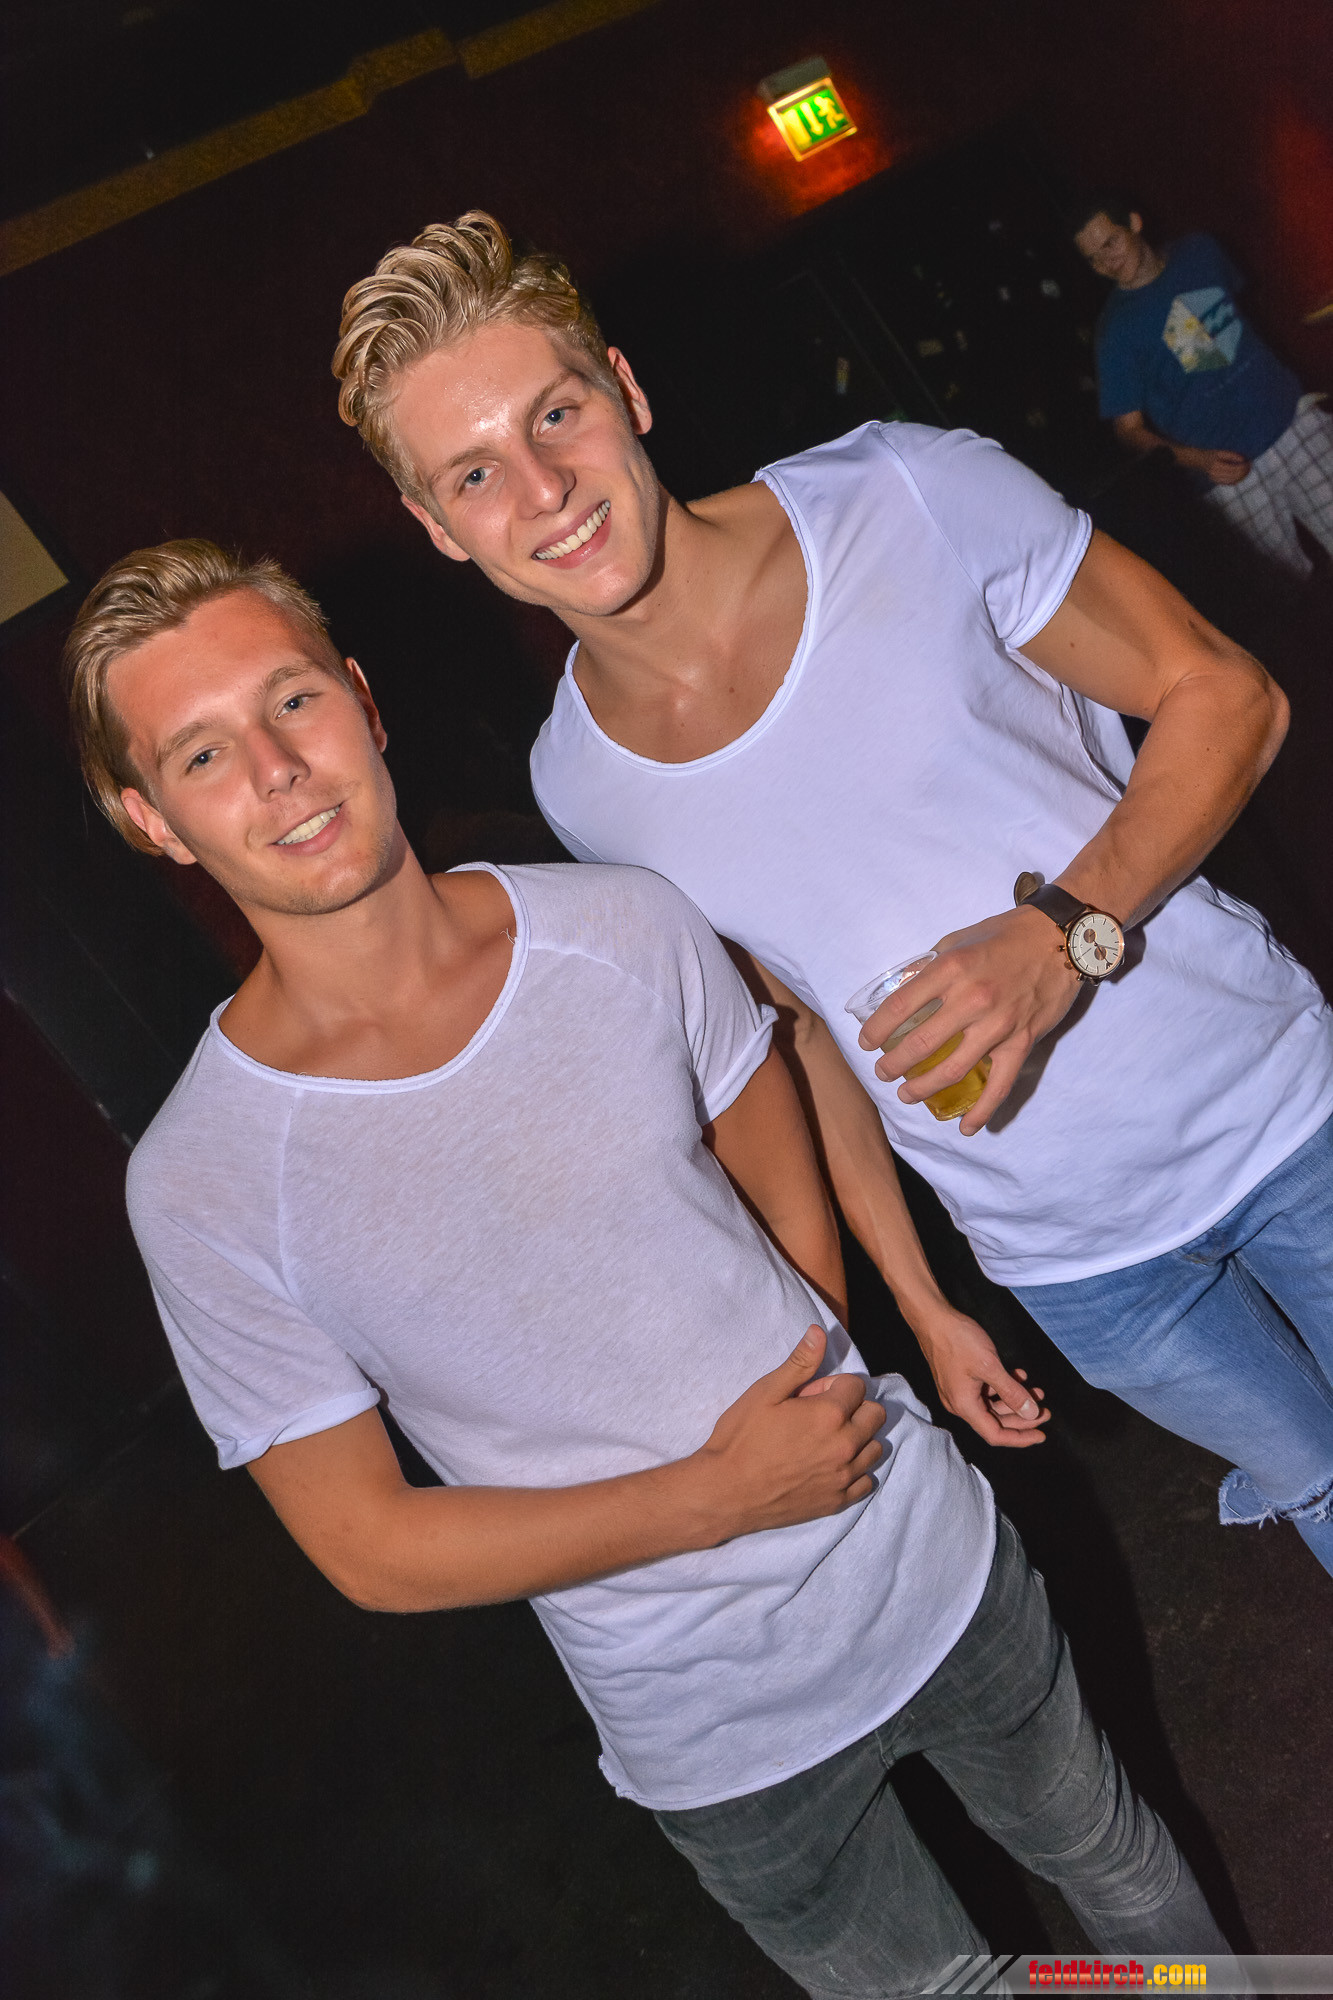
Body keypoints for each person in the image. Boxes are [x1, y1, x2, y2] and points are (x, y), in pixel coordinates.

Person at [66, 541, 1226, 1995]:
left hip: (919, 1558)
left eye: (291, 700)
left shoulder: (621, 922)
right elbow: (369, 1545)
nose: (279, 769)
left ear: (361, 699)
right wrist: (718, 1497)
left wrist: (821, 1378)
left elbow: (775, 1147)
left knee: (1121, 1866)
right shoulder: (203, 1180)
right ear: (154, 820)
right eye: (202, 753)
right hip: (707, 1725)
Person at [332, 212, 1333, 1574]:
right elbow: (801, 1031)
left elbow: (1225, 695)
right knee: (1317, 1488)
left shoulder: (903, 496)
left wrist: (1061, 937)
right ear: (438, 527)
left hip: (1275, 1116)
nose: (545, 488)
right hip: (1074, 1265)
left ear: (624, 390)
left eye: (555, 414)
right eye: (475, 473)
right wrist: (922, 1299)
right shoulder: (580, 783)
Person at [1072, 193, 1333, 587]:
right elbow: (1127, 429)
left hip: (1291, 422)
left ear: (1135, 223)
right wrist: (1199, 460)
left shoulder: (1201, 252)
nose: (1107, 261)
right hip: (1225, 474)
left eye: (1111, 242)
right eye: (1094, 259)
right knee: (1286, 589)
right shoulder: (1115, 332)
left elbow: (1243, 316)